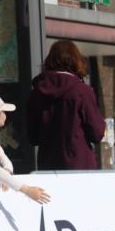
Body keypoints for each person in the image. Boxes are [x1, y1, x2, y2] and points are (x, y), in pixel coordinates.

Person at [26, 40, 105, 171]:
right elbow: (97, 133)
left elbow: (33, 137)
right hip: (79, 166)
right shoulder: (81, 91)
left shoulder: (36, 93)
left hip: (48, 165)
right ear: (76, 60)